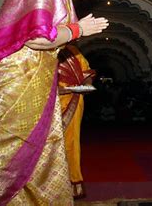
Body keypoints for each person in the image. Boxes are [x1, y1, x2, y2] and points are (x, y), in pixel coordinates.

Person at [0, 0, 109, 205]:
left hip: (38, 77)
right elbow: (35, 38)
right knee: (14, 147)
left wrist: (75, 30)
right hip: (17, 77)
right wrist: (79, 29)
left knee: (42, 146)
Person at [58, 45, 95, 199]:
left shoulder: (73, 51)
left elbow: (86, 72)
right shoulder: (42, 49)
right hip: (50, 105)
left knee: (71, 143)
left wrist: (86, 84)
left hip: (74, 101)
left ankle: (73, 184)